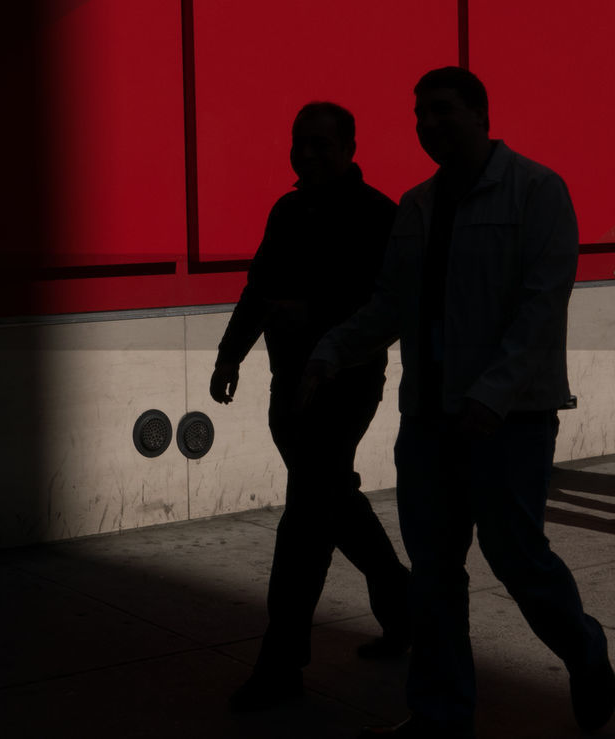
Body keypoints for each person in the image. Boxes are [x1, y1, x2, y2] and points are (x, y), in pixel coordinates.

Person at [303, 67, 615, 738]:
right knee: (434, 575)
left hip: (509, 422)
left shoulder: (537, 191)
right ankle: (441, 711)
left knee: (520, 562)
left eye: (442, 110)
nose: (428, 124)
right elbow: (390, 304)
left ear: (480, 114)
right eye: (419, 114)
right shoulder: (416, 207)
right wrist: (332, 350)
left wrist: (492, 395)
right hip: (428, 422)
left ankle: (588, 652)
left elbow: (541, 308)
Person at [212, 102, 412, 713]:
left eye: (322, 144)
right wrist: (229, 356)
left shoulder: (380, 215)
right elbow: (258, 288)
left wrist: (313, 313)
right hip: (286, 385)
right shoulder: (288, 209)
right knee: (333, 501)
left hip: (345, 388)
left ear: (351, 147)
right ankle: (406, 608)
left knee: (304, 521)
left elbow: (385, 304)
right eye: (300, 142)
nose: (308, 154)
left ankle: (281, 664)